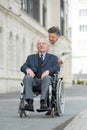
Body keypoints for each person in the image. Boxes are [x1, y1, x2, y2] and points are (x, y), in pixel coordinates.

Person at [20, 38, 60, 110]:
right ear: (37, 46)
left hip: (46, 81)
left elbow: (57, 67)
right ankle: (29, 102)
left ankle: (43, 102)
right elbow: (23, 66)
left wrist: (48, 71)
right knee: (27, 77)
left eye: (43, 43)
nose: (41, 45)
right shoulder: (30, 57)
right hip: (34, 81)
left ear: (47, 46)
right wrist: (27, 69)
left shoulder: (53, 58)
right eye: (39, 44)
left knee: (47, 77)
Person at [46, 26, 71, 115]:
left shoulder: (63, 44)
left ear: (58, 37)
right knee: (46, 84)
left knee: (55, 88)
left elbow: (68, 54)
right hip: (47, 69)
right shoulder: (46, 42)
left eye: (52, 37)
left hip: (58, 70)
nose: (50, 38)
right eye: (49, 36)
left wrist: (62, 59)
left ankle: (56, 107)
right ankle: (48, 107)